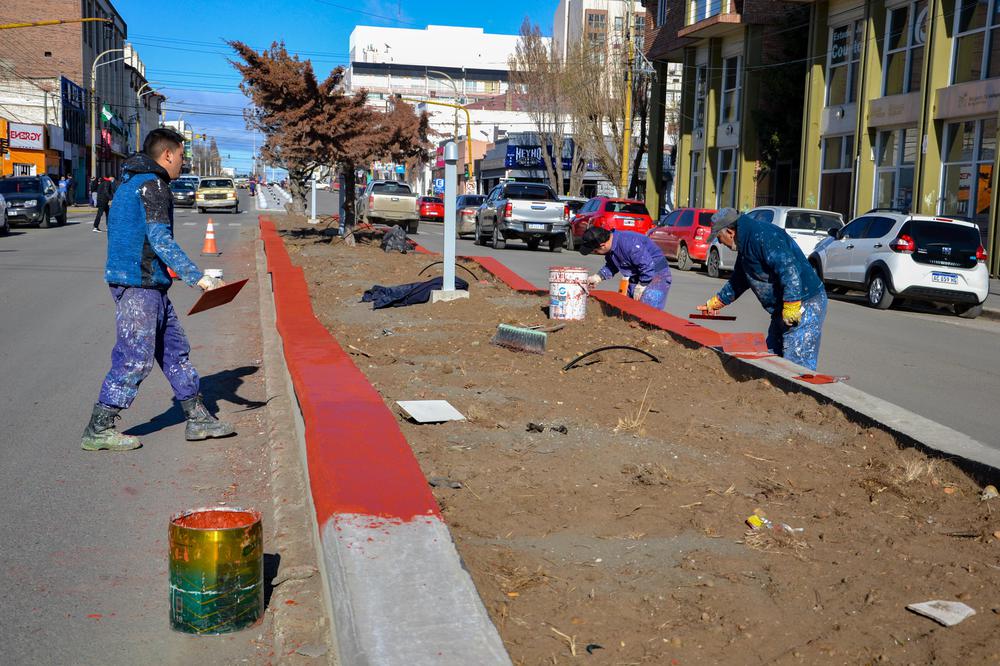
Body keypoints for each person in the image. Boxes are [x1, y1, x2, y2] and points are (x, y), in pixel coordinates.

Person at [80, 127, 235, 451]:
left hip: (145, 282)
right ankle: (99, 427)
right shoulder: (153, 185)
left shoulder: (129, 182)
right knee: (134, 358)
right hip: (139, 286)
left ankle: (198, 418)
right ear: (167, 154)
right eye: (180, 156)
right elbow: (160, 238)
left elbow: (138, 238)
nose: (182, 162)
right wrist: (199, 278)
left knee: (174, 350)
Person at [698, 208, 828, 370]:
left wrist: (792, 305)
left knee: (796, 366)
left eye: (719, 238)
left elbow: (789, 271)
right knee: (773, 358)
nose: (720, 242)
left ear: (730, 232)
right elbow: (740, 279)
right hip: (784, 306)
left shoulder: (763, 237)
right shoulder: (746, 244)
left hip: (805, 302)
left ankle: (799, 385)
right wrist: (718, 301)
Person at [578, 226, 673, 309]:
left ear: (603, 245)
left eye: (595, 251)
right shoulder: (612, 247)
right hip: (639, 274)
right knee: (629, 306)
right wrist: (598, 277)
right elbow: (612, 265)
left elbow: (647, 265)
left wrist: (643, 284)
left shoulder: (628, 243)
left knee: (647, 307)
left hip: (656, 274)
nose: (596, 253)